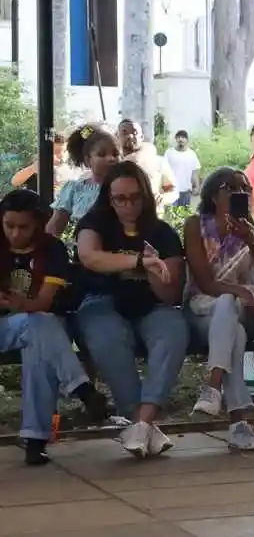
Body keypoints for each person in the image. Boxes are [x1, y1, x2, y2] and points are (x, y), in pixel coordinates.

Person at [75, 161, 189, 458]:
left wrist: (154, 270)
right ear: (108, 198)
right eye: (119, 198)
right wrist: (140, 261)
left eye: (135, 197)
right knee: (107, 337)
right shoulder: (94, 224)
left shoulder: (162, 233)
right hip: (101, 302)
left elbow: (170, 293)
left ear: (146, 196)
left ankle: (142, 422)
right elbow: (90, 257)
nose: (128, 204)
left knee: (174, 330)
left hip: (150, 305)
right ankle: (143, 423)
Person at [0, 189, 109, 464]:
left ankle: (35, 441)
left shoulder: (51, 249)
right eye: (8, 225)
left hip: (32, 321)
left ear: (37, 222)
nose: (14, 233)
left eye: (23, 226)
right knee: (41, 329)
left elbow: (44, 302)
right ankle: (82, 390)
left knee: (39, 333)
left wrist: (22, 304)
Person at [183, 167, 254, 451]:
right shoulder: (195, 225)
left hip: (246, 311)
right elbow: (205, 283)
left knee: (230, 307)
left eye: (245, 188)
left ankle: (213, 384)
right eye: (230, 187)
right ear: (212, 194)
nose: (239, 193)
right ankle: (239, 424)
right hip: (202, 308)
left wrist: (251, 241)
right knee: (233, 326)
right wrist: (238, 291)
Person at [47, 124, 122, 236]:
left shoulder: (128, 188)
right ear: (88, 160)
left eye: (116, 154)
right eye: (101, 154)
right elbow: (54, 229)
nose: (111, 158)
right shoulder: (75, 189)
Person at [119, 119, 177, 213]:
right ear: (117, 137)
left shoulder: (158, 161)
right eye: (124, 133)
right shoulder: (113, 164)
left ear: (142, 137)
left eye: (134, 133)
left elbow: (171, 189)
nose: (130, 136)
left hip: (152, 219)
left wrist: (162, 197)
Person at [11, 133, 78, 195]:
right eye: (57, 152)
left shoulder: (72, 169)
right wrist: (34, 167)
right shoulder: (37, 165)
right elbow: (14, 181)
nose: (61, 155)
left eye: (64, 151)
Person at [164, 130, 201, 208]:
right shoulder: (169, 152)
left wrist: (197, 186)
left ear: (187, 140)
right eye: (179, 137)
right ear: (176, 139)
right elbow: (163, 171)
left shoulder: (192, 154)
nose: (181, 139)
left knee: (184, 216)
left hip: (186, 191)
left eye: (183, 137)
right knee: (171, 217)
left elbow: (195, 172)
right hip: (171, 191)